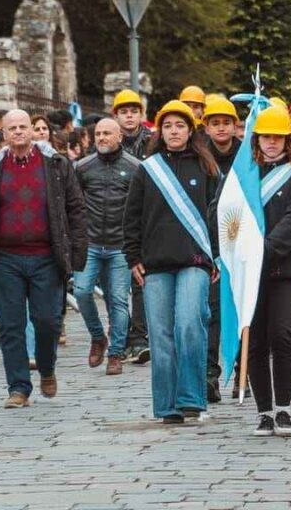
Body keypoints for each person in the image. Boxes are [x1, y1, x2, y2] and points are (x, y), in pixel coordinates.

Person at [0, 109, 87, 408]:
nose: (18, 132)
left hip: (46, 257)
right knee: (10, 325)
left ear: (32, 130)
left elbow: (75, 209)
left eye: (23, 126)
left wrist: (76, 252)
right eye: (12, 128)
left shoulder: (56, 165)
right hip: (5, 259)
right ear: (3, 134)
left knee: (47, 321)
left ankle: (46, 367)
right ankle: (18, 387)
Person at [123, 100, 221, 425]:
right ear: (159, 131)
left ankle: (192, 398)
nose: (174, 131)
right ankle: (167, 405)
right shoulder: (147, 170)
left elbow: (217, 215)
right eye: (167, 126)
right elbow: (132, 216)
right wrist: (133, 257)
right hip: (155, 263)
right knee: (161, 334)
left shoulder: (206, 168)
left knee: (190, 324)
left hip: (195, 259)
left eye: (180, 126)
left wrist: (217, 255)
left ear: (190, 131)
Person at [241, 104, 291, 437]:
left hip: (286, 265)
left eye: (278, 137)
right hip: (250, 269)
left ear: (287, 140)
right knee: (255, 341)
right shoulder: (244, 173)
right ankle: (264, 412)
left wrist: (265, 249)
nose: (272, 142)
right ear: (257, 139)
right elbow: (225, 211)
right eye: (266, 137)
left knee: (282, 333)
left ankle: (284, 408)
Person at [74, 119, 140, 376]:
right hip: (90, 243)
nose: (101, 138)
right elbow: (73, 203)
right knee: (81, 292)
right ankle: (98, 336)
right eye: (98, 133)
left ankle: (116, 353)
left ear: (119, 136)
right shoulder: (82, 167)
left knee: (118, 300)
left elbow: (141, 207)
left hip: (120, 245)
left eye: (107, 133)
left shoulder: (135, 167)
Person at [202, 96, 242, 403]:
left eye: (226, 122)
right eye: (215, 123)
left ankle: (243, 370)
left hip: (241, 243)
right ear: (206, 127)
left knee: (242, 309)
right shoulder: (199, 157)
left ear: (235, 125)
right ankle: (210, 375)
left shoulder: (247, 156)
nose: (221, 128)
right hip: (210, 244)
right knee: (213, 313)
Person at [112, 89, 152, 364]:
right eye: (124, 112)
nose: (129, 116)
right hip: (114, 222)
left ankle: (139, 337)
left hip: (144, 219)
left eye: (134, 111)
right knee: (115, 287)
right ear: (116, 116)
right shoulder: (108, 140)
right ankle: (121, 334)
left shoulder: (152, 143)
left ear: (141, 114)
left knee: (139, 280)